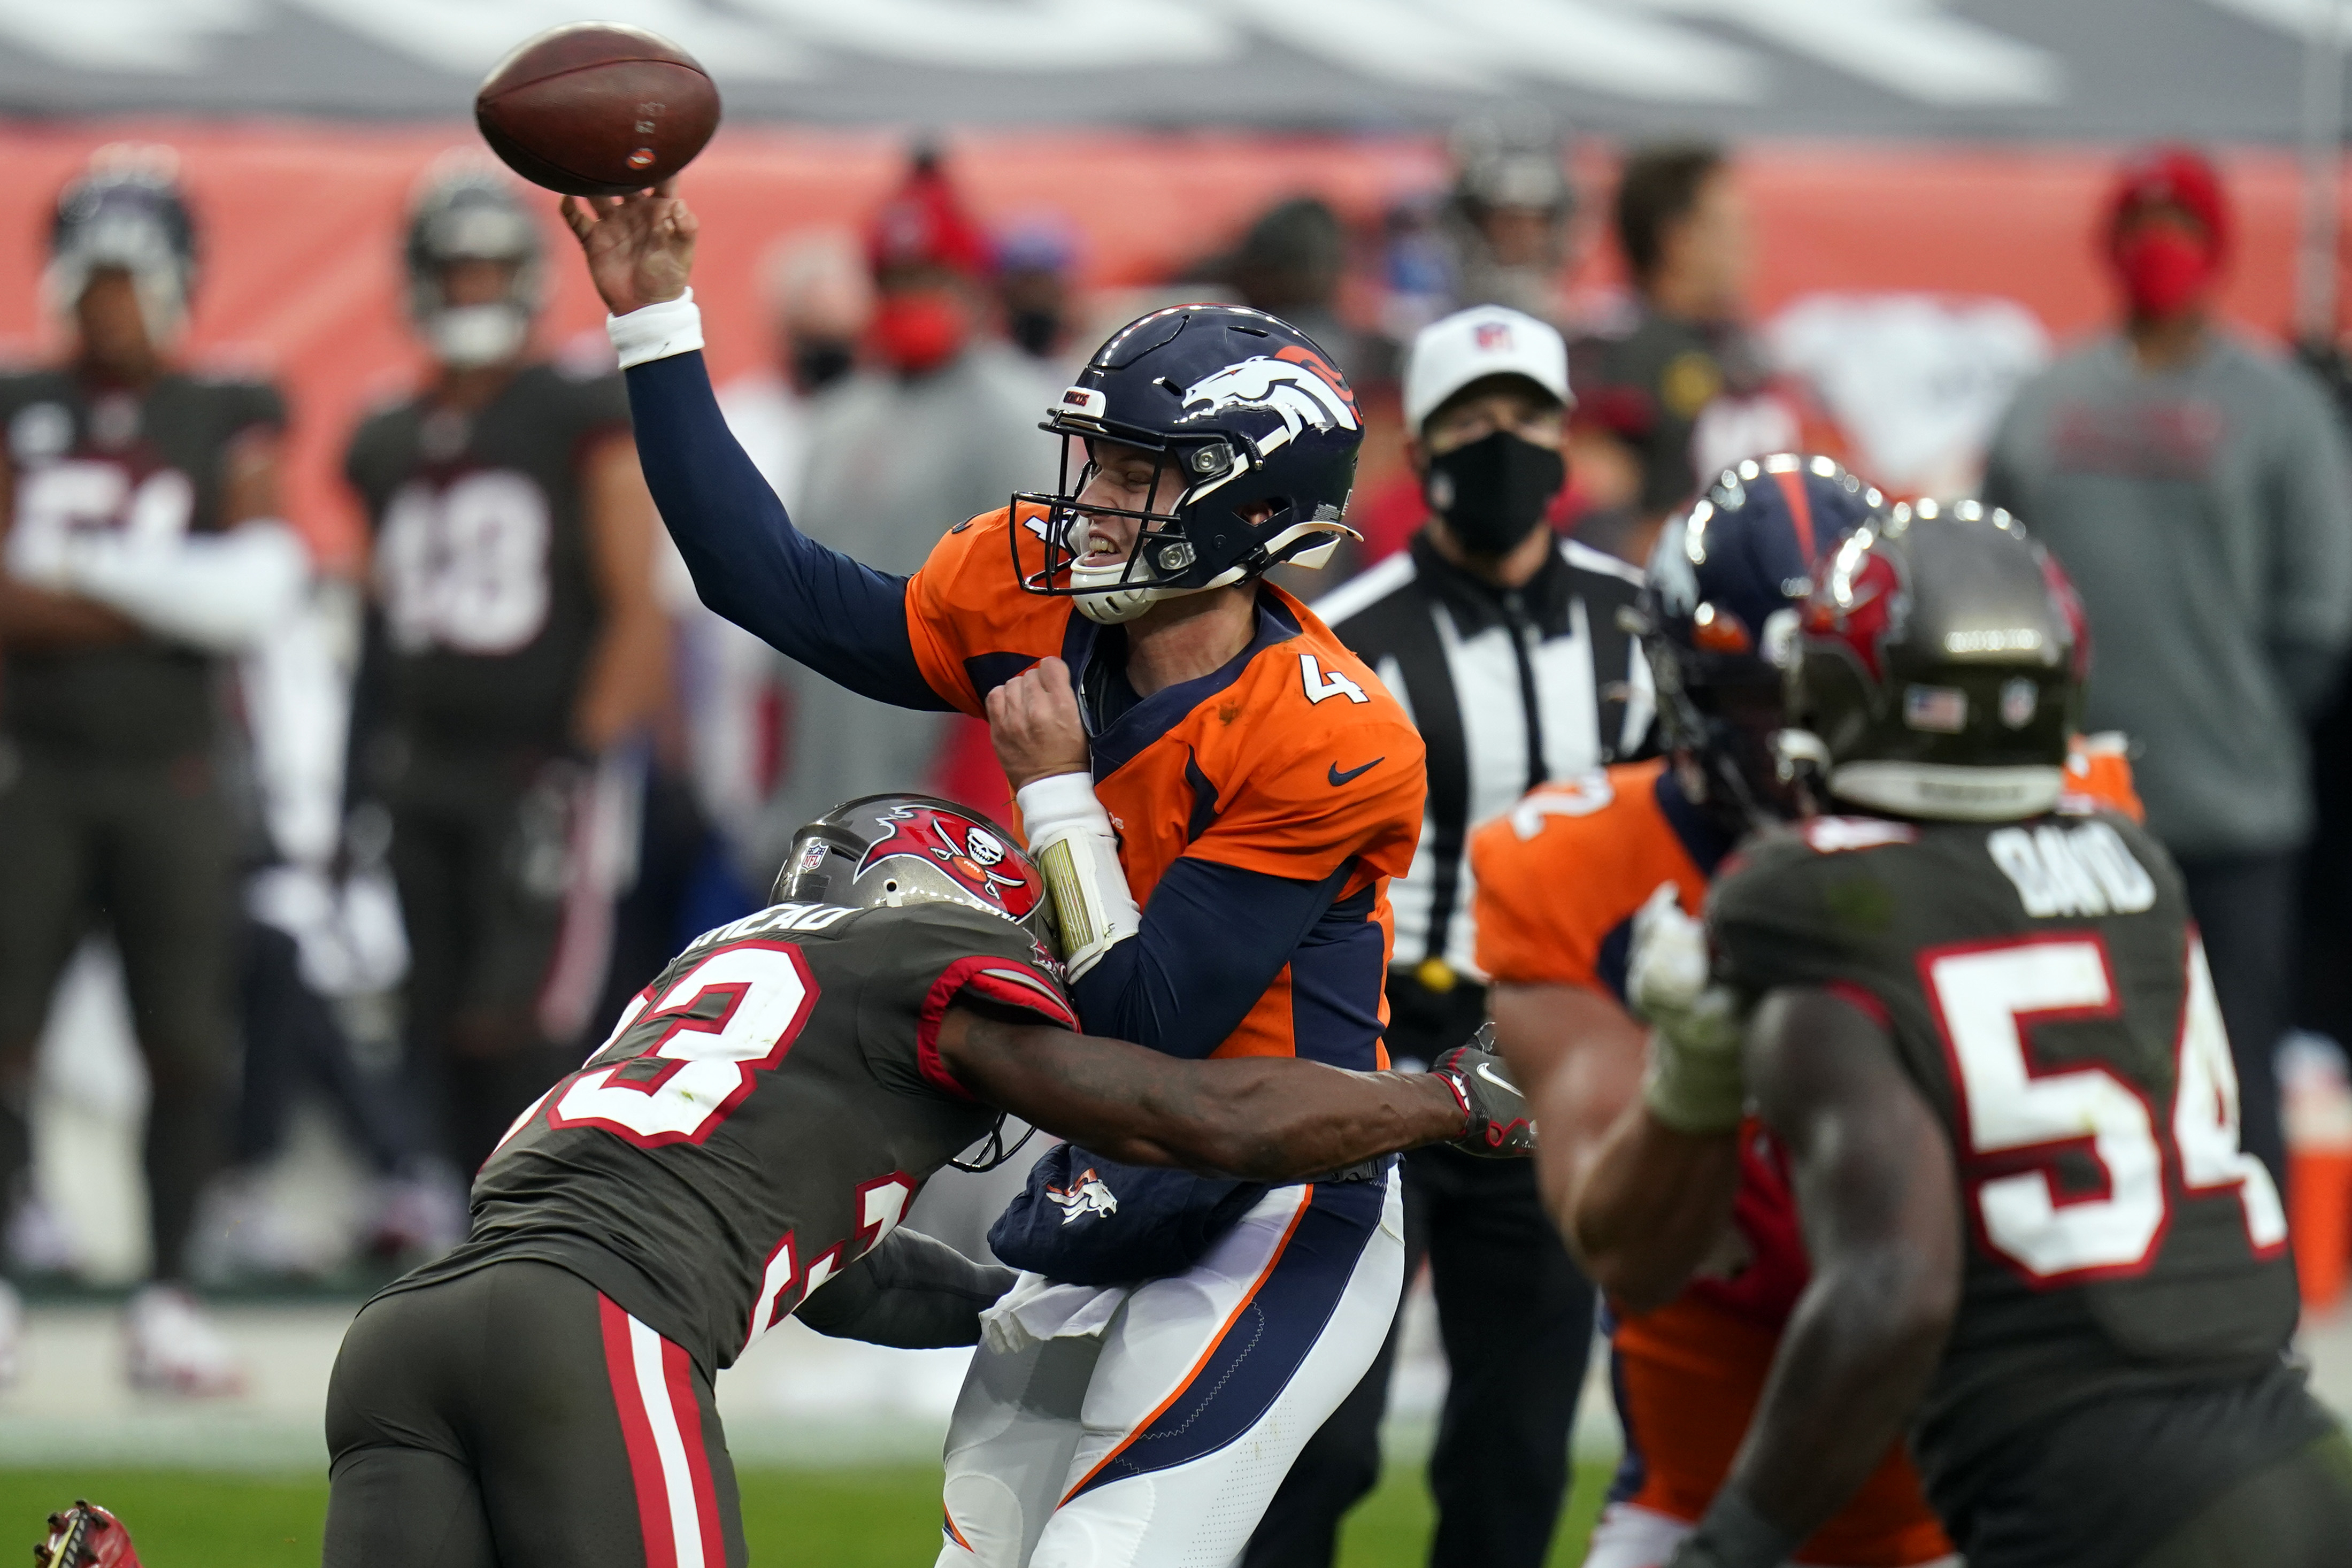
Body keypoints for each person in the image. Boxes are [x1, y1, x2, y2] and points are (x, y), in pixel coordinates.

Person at [562, 177, 1428, 1568]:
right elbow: (762, 581)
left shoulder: (1325, 734)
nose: (1094, 503)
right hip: (1105, 1179)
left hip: (1267, 1201)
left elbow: (1151, 1026)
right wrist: (653, 320)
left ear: (1254, 507)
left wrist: (1052, 790)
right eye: (1099, 460)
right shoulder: (1027, 590)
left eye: (1143, 474)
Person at [321, 793, 1532, 1568]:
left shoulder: (710, 969)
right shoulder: (922, 958)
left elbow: (839, 1277)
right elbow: (1186, 1111)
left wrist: (1005, 1309)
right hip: (589, 1330)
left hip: (406, 1331)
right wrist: (1441, 1098)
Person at [1650, 500, 2352, 1568]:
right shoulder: (2130, 859)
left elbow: (1897, 1289)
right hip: (2289, 1445)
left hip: (2100, 1494)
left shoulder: (1804, 894)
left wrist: (1731, 1544)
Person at [1474, 456, 1956, 1568]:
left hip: (1992, 1481)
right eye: (1757, 703)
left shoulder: (2023, 829)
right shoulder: (1578, 864)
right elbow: (1625, 1249)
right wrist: (1695, 1071)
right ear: (1681, 685)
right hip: (1701, 1483)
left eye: (1826, 697)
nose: (1797, 747)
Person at [1244, 303, 1647, 1568]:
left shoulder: (1641, 625)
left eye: (1525, 414)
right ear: (1417, 448)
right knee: (1322, 1432)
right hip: (1384, 1056)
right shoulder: (1349, 638)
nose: (1503, 441)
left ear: (1563, 431)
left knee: (1518, 1441)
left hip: (1561, 1066)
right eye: (1470, 420)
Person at [1982, 145, 2352, 1189]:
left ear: (2218, 248)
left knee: (2237, 1068)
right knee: (2073, 1067)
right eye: (2144, 229)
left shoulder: (2281, 411)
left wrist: (2247, 719)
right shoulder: (2046, 402)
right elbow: (1998, 576)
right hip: (2069, 806)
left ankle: (2255, 1303)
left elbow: (2320, 607)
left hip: (2235, 813)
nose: (2161, 252)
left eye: (2182, 231)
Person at [0, 147, 307, 1392]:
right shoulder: (20, 397)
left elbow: (256, 592)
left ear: (177, 283)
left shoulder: (227, 405)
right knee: (3, 1033)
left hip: (174, 775)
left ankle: (170, 1291)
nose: (112, 305)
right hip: (37, 771)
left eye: (134, 280)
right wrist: (166, 594)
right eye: (95, 279)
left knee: (185, 1040)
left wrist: (70, 582)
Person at [344, 159, 668, 1177]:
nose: (472, 291)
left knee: (530, 1018)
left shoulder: (578, 412)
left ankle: (547, 1239)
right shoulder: (387, 435)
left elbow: (636, 609)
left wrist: (580, 757)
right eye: (455, 270)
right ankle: (461, 1235)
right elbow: (376, 618)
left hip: (537, 762)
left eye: (489, 270)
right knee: (433, 1014)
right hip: (424, 763)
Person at [759, 148, 1047, 843]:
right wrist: (773, 782)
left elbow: (1028, 627)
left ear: (970, 283)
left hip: (944, 798)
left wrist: (986, 803)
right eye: (895, 279)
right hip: (826, 778)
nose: (911, 298)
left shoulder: (1017, 417)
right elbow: (787, 608)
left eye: (929, 278)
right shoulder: (834, 420)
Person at [1570, 142, 1831, 567]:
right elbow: (1597, 518)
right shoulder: (1622, 352)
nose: (1747, 242)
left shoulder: (1748, 345)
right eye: (1730, 225)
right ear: (1678, 239)